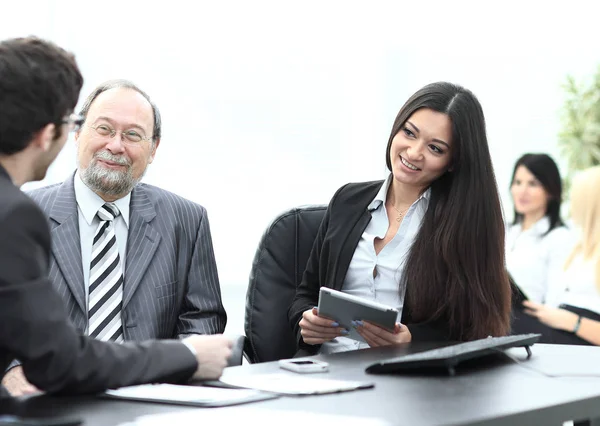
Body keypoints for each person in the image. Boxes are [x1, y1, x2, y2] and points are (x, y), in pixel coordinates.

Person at [0, 36, 232, 398]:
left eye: (133, 135)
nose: (115, 145)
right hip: (47, 401)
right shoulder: (20, 215)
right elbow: (41, 345)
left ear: (153, 148)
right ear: (68, 133)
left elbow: (202, 319)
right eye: (103, 128)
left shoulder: (187, 219)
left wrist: (182, 365)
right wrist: (13, 373)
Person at [288, 82, 511, 355]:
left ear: (453, 161)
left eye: (435, 148)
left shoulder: (463, 225)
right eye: (409, 133)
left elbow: (473, 326)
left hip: (405, 382)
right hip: (322, 372)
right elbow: (305, 295)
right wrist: (306, 322)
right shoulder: (348, 201)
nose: (414, 152)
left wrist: (411, 341)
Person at [522, 166, 600, 345]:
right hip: (561, 324)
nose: (571, 205)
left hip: (577, 332)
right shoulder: (581, 250)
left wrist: (573, 322)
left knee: (504, 321)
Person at [505, 153, 572, 303]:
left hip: (528, 322)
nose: (522, 191)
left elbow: (555, 302)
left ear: (550, 191)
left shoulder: (559, 237)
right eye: (518, 182)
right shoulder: (504, 231)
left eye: (533, 184)